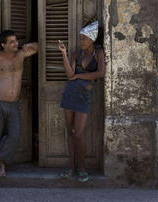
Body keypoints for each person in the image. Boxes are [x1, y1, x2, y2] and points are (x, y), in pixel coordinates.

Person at [0, 30, 38, 177]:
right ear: (3, 44)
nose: (16, 43)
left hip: (13, 103)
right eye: (11, 41)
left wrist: (31, 44)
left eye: (16, 40)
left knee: (14, 135)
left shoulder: (20, 54)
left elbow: (39, 47)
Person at [58, 21, 105, 182]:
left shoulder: (98, 53)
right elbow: (70, 74)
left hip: (84, 96)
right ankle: (71, 167)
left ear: (92, 39)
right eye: (80, 38)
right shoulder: (76, 54)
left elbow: (100, 73)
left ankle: (82, 168)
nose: (81, 41)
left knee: (78, 133)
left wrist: (79, 76)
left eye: (83, 38)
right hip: (70, 94)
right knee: (70, 133)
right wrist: (64, 53)